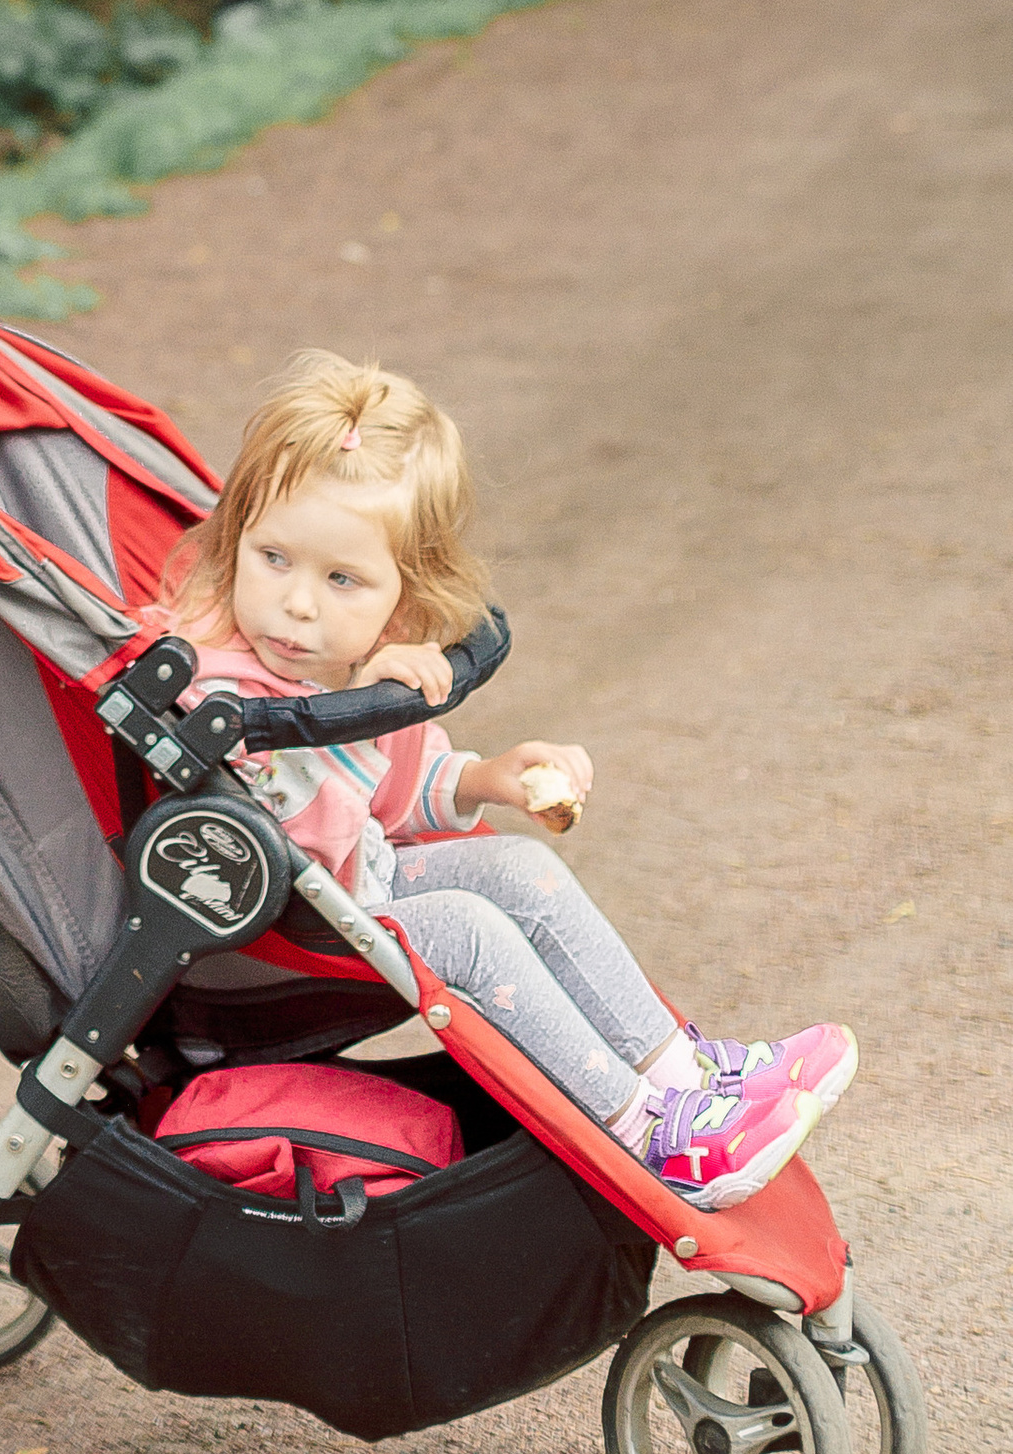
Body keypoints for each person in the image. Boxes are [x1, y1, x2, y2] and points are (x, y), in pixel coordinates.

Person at [163, 350, 856, 1213]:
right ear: (235, 540)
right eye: (274, 558)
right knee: (467, 928)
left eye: (341, 579)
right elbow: (306, 831)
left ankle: (686, 1078)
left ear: (401, 602)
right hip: (263, 941)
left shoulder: (328, 664)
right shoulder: (214, 688)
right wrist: (358, 702)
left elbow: (389, 802)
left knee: (520, 868)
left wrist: (486, 779)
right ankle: (647, 1134)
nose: (299, 604)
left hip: (350, 890)